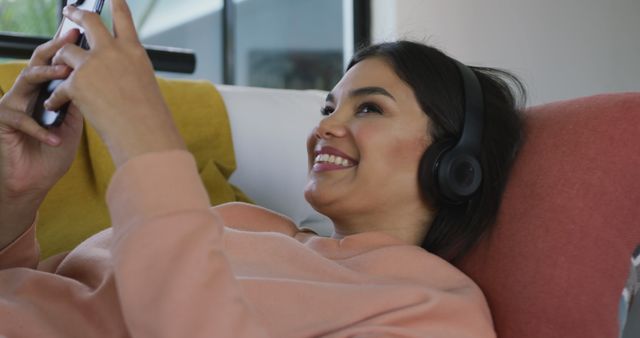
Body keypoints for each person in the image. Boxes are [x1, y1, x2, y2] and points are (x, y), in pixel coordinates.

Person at [0, 0, 524, 336]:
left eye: (369, 108)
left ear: (455, 164)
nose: (326, 127)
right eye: (327, 108)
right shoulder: (245, 221)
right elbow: (35, 289)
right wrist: (17, 194)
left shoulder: (436, 309)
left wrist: (141, 129)